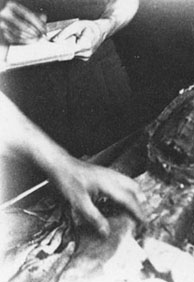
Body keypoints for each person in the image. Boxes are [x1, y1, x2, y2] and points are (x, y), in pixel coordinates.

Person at [0, 0, 144, 237]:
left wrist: (104, 26)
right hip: (19, 108)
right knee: (38, 226)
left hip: (100, 82)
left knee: (126, 206)